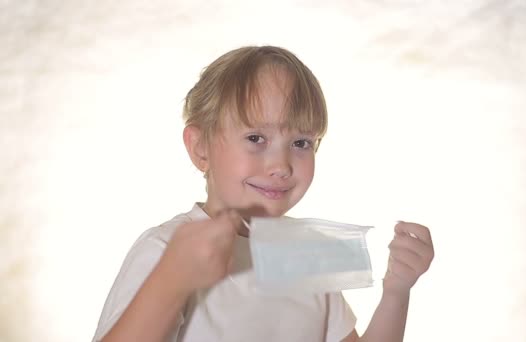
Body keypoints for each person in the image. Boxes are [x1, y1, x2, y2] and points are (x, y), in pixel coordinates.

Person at [92, 45, 434, 342]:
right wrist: (172, 279)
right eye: (256, 138)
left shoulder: (308, 253)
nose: (281, 165)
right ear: (201, 148)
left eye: (301, 143)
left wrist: (397, 291)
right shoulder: (166, 251)